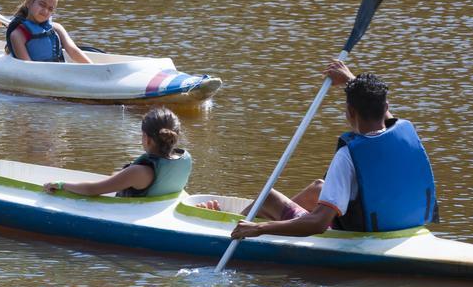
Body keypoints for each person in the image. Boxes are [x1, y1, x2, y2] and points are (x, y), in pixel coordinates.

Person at [223, 60, 438, 240]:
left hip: (360, 237)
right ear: (384, 106)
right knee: (319, 188)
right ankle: (276, 224)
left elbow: (318, 224)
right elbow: (377, 105)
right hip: (397, 224)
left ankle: (232, 229)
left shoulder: (348, 156)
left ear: (350, 112)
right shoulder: (405, 133)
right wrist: (350, 80)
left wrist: (259, 230)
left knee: (268, 197)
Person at [42, 108, 192, 198]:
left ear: (146, 139)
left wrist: (61, 185)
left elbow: (91, 190)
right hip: (157, 210)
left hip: (129, 216)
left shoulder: (139, 172)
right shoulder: (183, 159)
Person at [4, 0, 92, 64]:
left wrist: (92, 67)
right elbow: (27, 65)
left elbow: (73, 51)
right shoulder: (17, 34)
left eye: (50, 9)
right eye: (42, 5)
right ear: (29, 3)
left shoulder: (57, 28)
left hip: (60, 71)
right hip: (40, 74)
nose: (45, 11)